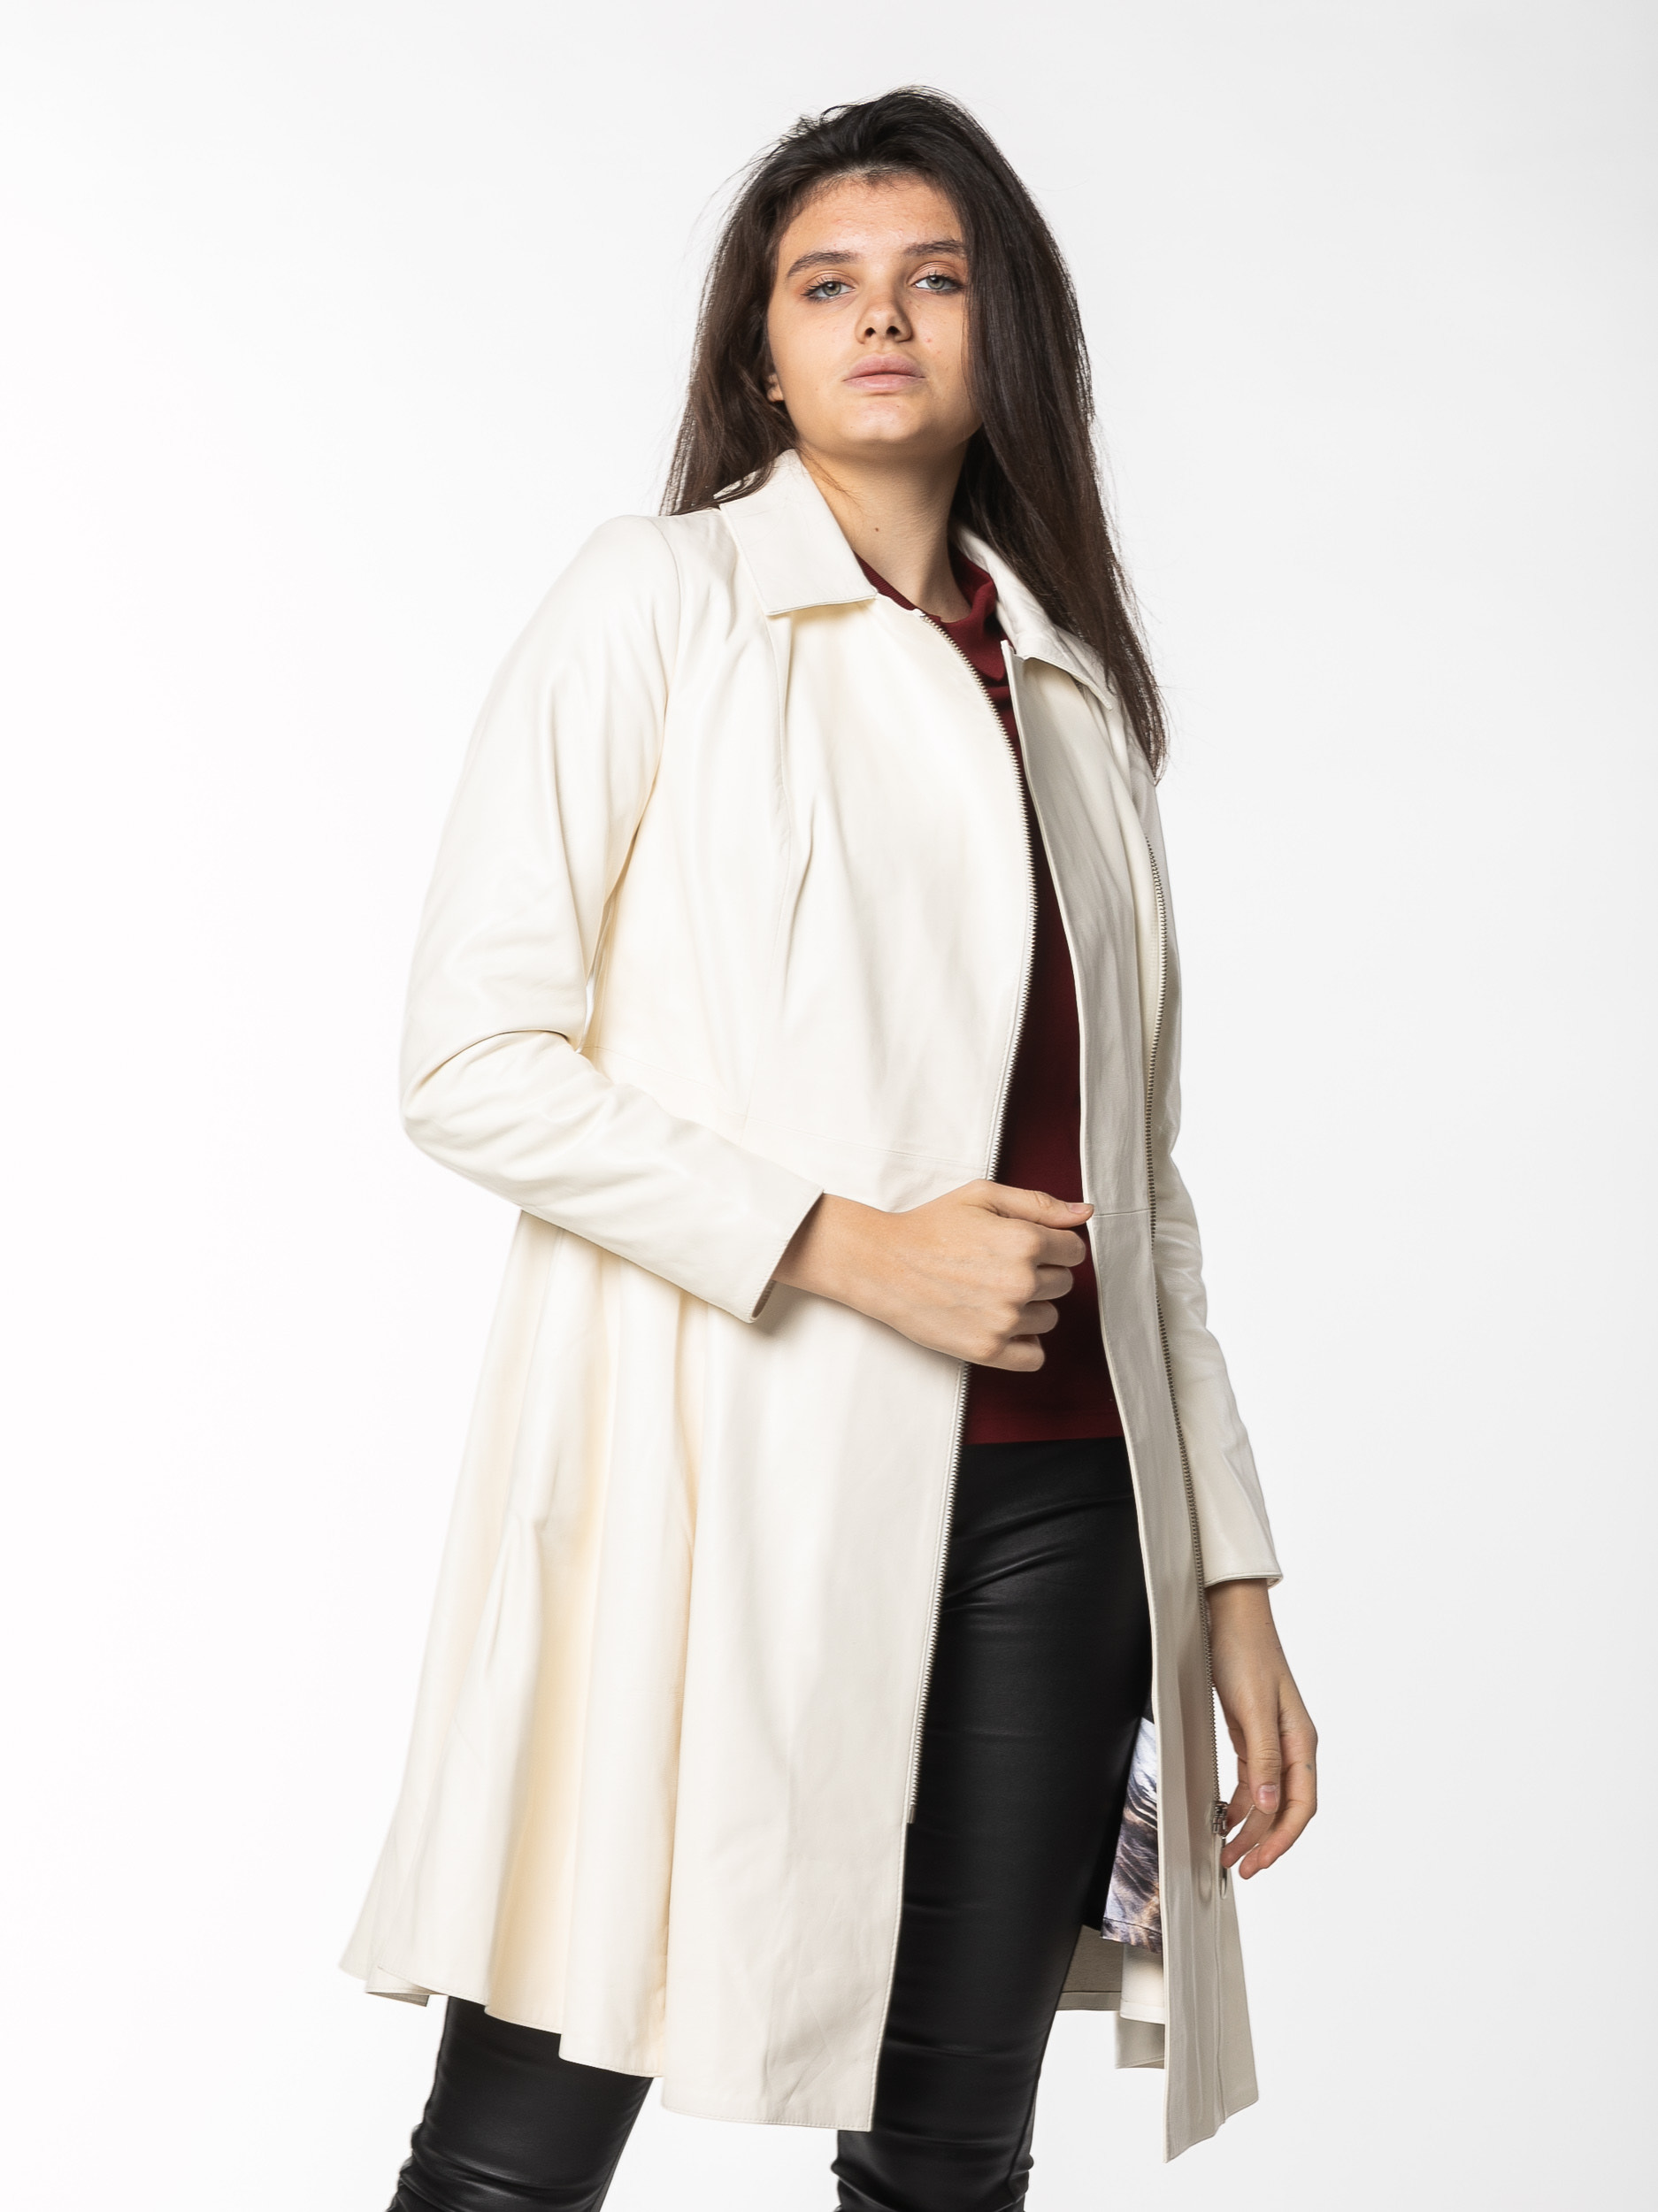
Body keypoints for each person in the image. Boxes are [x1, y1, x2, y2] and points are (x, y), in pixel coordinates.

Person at [344, 86, 1317, 2212]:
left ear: (1005, 333)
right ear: (763, 354)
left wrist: (1226, 1575)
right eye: (826, 284)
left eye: (934, 277)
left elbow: (1141, 1187)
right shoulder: (657, 603)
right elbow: (468, 1057)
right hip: (720, 1485)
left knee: (948, 2165)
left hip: (1066, 1509)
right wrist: (848, 1245)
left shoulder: (1065, 687)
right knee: (518, 2151)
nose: (881, 317)